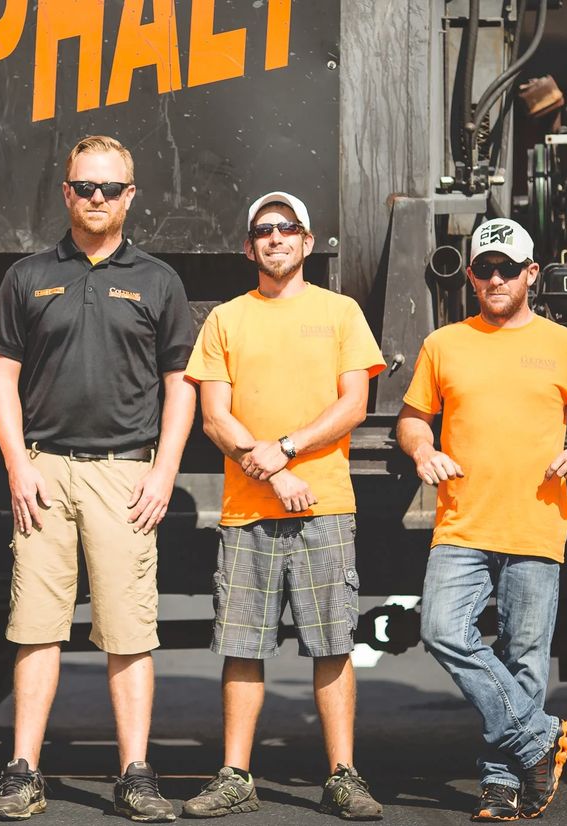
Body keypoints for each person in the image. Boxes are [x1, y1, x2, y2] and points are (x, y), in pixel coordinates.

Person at [0, 135, 195, 822]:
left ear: (130, 196)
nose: (95, 198)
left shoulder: (159, 280)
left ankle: (135, 774)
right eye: (83, 187)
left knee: (129, 632)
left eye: (109, 188)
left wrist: (163, 470)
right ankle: (23, 773)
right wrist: (17, 463)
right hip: (43, 471)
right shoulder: (28, 275)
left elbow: (181, 384)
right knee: (35, 629)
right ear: (66, 192)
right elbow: (1, 377)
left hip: (124, 477)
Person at [396, 218, 567, 821]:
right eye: (483, 268)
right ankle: (538, 738)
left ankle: (502, 782)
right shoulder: (444, 343)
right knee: (441, 630)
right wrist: (423, 449)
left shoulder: (565, 346)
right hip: (462, 523)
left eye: (506, 268)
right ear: (469, 275)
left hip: (536, 522)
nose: (494, 278)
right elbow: (412, 417)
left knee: (524, 656)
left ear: (530, 275)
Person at [182, 193, 385, 821]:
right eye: (263, 231)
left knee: (331, 643)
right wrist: (272, 476)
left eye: (287, 229)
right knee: (243, 645)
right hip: (249, 510)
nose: (275, 239)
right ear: (249, 247)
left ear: (308, 240)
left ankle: (343, 776)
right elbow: (214, 417)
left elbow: (355, 404)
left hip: (324, 504)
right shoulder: (225, 320)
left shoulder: (341, 312)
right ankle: (235, 774)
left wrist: (288, 450)